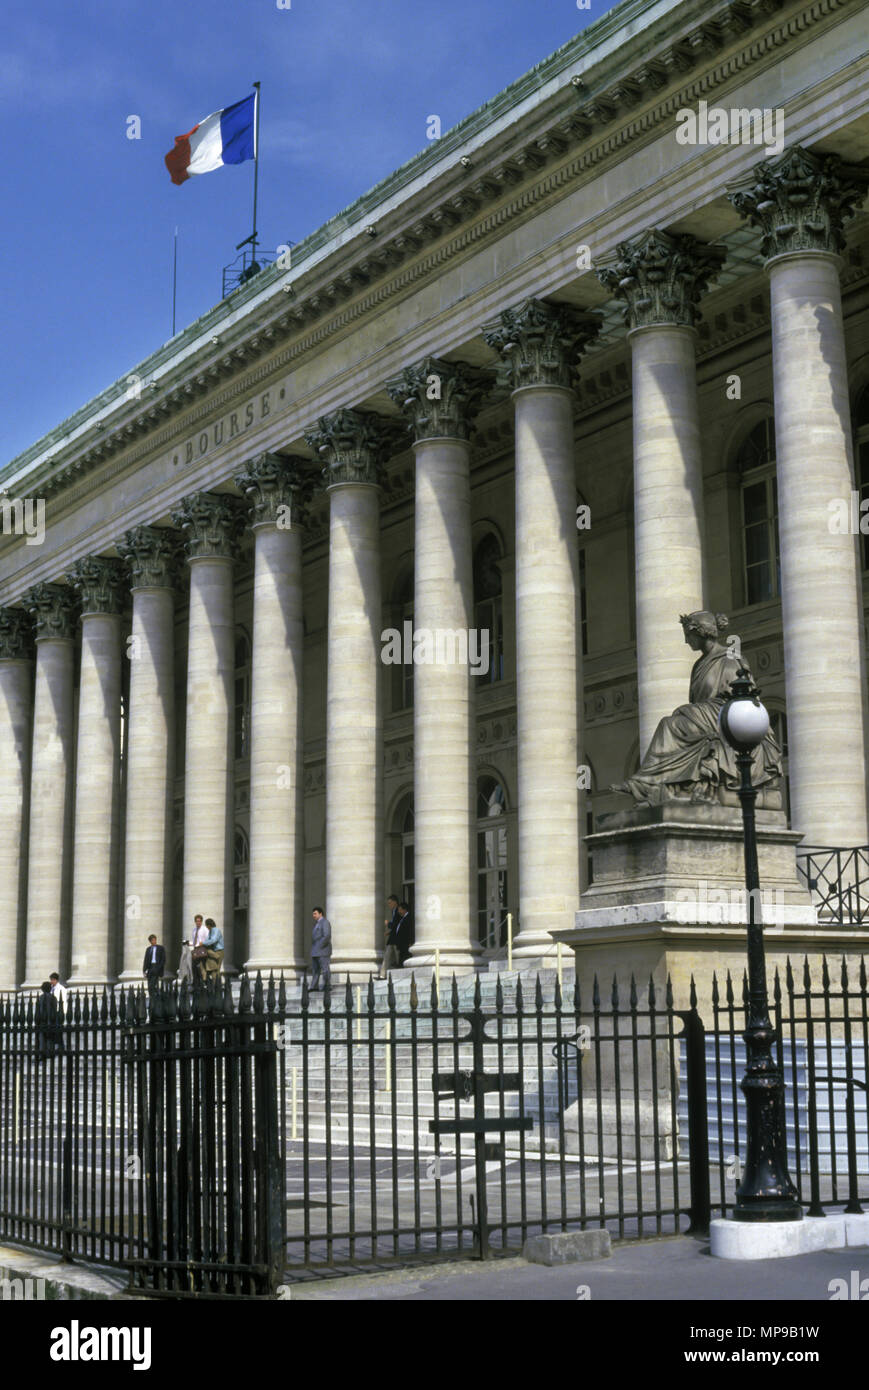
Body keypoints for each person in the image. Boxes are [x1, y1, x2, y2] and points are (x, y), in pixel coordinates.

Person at [612, 611, 783, 808]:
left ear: (701, 632)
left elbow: (747, 698)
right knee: (674, 723)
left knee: (669, 724)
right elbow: (696, 700)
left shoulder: (731, 657)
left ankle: (646, 782)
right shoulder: (698, 665)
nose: (686, 641)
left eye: (688, 635)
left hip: (727, 715)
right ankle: (656, 784)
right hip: (704, 714)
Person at [310, 907, 331, 992]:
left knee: (325, 969)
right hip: (315, 951)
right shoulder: (316, 924)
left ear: (320, 913)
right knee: (315, 969)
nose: (313, 915)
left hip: (323, 950)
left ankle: (327, 985)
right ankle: (314, 986)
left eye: (315, 913)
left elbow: (327, 936)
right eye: (313, 914)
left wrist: (319, 946)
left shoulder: (325, 922)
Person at [379, 894, 401, 978]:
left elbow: (396, 925)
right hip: (392, 938)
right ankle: (382, 975)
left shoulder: (398, 910)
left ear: (395, 902)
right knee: (387, 955)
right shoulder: (394, 911)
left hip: (396, 939)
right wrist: (389, 932)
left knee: (397, 955)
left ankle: (385, 974)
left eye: (390, 903)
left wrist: (388, 924)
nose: (389, 905)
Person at [35, 982, 59, 1060]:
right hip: (51, 1021)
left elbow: (38, 1011)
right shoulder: (53, 998)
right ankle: (50, 1053)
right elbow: (55, 1010)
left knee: (42, 1038)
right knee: (50, 1039)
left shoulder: (41, 998)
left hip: (42, 1021)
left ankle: (43, 1054)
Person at [202, 917, 224, 982]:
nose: (206, 927)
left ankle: (216, 985)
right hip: (214, 951)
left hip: (218, 951)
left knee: (216, 969)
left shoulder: (216, 930)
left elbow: (213, 940)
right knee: (214, 969)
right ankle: (216, 984)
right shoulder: (211, 931)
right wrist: (203, 943)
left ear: (209, 925)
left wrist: (203, 943)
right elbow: (207, 940)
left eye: (206, 925)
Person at [191, 914, 209, 982]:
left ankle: (204, 981)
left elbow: (208, 939)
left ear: (201, 921)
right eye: (196, 921)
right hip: (195, 950)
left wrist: (203, 943)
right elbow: (194, 941)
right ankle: (197, 981)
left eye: (199, 921)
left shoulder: (205, 929)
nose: (198, 922)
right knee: (195, 967)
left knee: (202, 967)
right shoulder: (194, 930)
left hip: (202, 950)